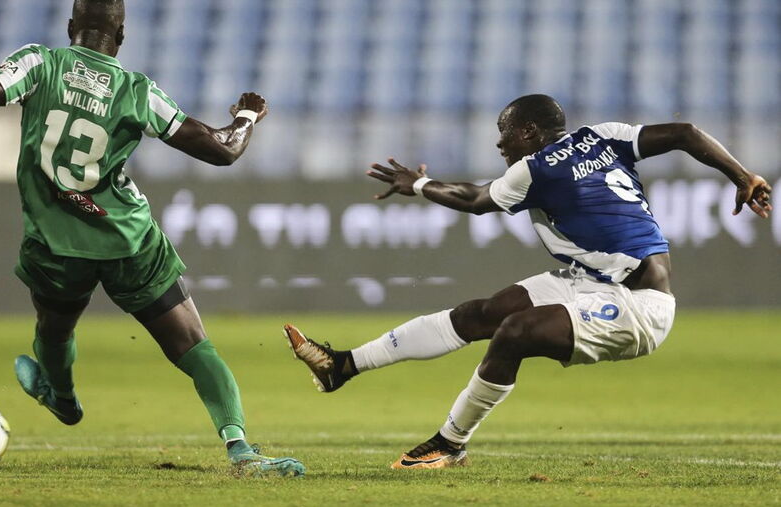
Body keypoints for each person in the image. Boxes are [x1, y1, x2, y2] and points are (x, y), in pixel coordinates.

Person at [0, 0, 304, 476]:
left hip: (56, 242)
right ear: (122, 35)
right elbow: (224, 150)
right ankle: (241, 450)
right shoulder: (137, 91)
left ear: (71, 28)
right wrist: (246, 115)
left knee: (53, 329)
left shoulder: (40, 64)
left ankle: (61, 397)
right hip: (127, 238)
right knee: (193, 346)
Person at [284, 93, 771, 470]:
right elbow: (685, 132)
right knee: (482, 314)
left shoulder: (533, 169)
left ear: (530, 131)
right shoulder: (605, 135)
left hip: (639, 306)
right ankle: (344, 365)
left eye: (505, 135)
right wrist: (741, 174)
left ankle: (449, 445)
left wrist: (417, 185)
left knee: (514, 331)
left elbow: (475, 200)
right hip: (591, 278)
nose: (500, 146)